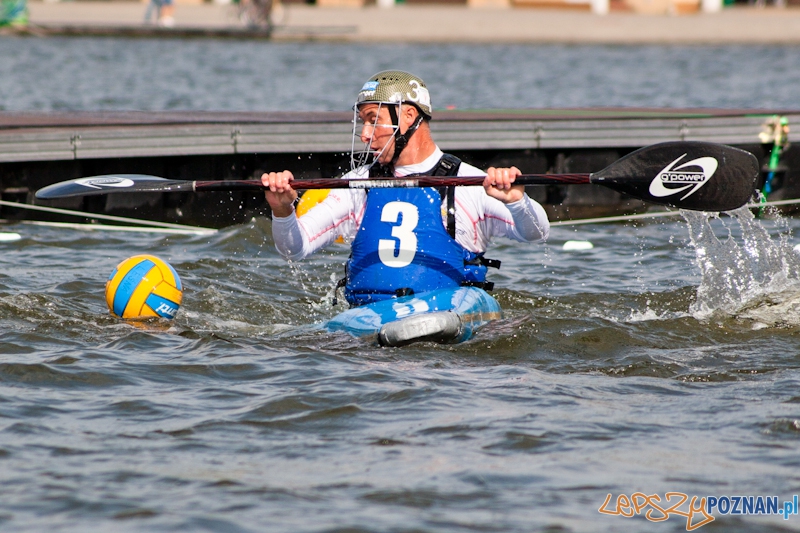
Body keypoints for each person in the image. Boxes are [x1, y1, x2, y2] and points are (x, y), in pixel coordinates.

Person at [262, 70, 550, 307]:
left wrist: (516, 201)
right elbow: (294, 249)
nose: (364, 135)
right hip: (371, 320)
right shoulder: (357, 185)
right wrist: (282, 210)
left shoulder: (468, 182)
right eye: (363, 122)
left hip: (445, 322)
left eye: (374, 120)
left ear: (409, 116)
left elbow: (537, 233)